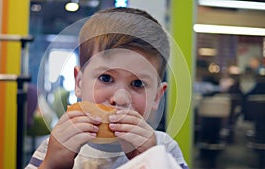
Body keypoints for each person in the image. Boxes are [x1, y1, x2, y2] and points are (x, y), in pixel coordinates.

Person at [26, 7, 189, 169]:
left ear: (156, 97)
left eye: (137, 84)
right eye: (106, 78)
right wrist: (52, 164)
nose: (120, 99)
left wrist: (153, 160)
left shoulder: (164, 147)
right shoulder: (57, 145)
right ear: (79, 83)